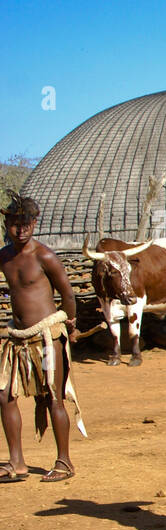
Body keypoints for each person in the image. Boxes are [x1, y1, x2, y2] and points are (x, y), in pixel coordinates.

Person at [0, 192, 86, 483]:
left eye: (26, 223)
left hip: (48, 337)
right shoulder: (4, 257)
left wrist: (70, 326)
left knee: (53, 397)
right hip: (18, 339)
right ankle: (17, 463)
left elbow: (67, 294)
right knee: (4, 395)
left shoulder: (44, 255)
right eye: (14, 223)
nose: (20, 229)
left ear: (34, 223)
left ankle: (64, 462)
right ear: (7, 223)